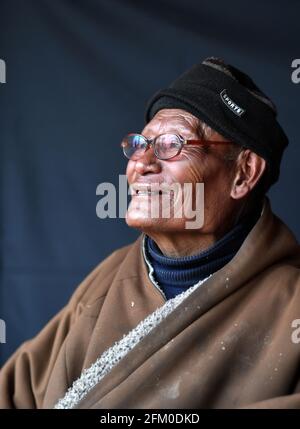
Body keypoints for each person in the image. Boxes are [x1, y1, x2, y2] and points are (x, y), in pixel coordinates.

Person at [1, 57, 300, 409]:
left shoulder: (289, 307)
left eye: (173, 143)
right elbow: (16, 390)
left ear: (244, 174)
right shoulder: (113, 274)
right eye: (141, 143)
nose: (141, 163)